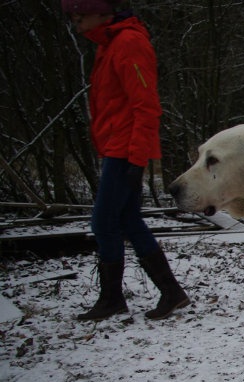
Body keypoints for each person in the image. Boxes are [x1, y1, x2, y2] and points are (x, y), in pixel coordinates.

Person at [62, 0, 190, 320]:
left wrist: (136, 158)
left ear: (102, 13)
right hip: (117, 146)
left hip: (125, 149)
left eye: (80, 15)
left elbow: (146, 105)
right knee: (129, 221)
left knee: (104, 222)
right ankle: (170, 293)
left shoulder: (128, 44)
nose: (76, 22)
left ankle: (113, 299)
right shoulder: (110, 45)